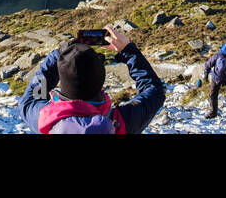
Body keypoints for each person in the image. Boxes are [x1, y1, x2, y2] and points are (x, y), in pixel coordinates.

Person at [17, 24, 165, 134]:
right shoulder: (121, 122)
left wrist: (60, 55)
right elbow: (154, 90)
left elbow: (30, 98)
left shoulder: (44, 118)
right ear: (101, 82)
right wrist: (128, 51)